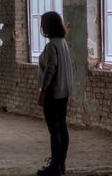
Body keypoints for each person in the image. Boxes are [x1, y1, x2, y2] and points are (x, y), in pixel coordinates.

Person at [37, 11, 73, 176]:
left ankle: (55, 167)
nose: (42, 28)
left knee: (54, 130)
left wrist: (42, 91)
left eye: (43, 24)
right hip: (64, 92)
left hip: (53, 92)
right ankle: (60, 164)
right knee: (61, 129)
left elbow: (50, 69)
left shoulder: (51, 46)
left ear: (49, 26)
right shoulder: (62, 43)